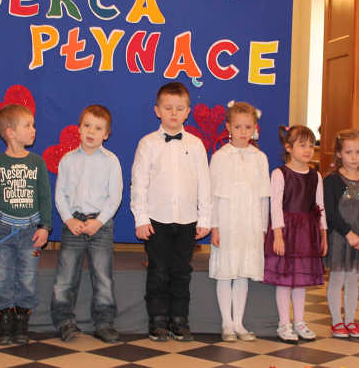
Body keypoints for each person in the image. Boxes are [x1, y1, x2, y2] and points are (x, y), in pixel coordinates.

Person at [130, 81, 211, 342]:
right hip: (156, 220)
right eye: (168, 108)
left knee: (181, 272)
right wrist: (141, 218)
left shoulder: (196, 145)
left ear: (188, 111)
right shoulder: (147, 144)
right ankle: (157, 319)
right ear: (157, 111)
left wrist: (205, 218)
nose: (174, 113)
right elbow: (139, 184)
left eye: (179, 108)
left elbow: (204, 183)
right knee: (158, 271)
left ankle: (179, 319)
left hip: (188, 220)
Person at [0, 104, 52, 346]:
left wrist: (45, 227)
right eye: (28, 126)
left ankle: (22, 318)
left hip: (30, 231)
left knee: (27, 277)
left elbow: (45, 197)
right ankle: (4, 317)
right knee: (1, 276)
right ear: (10, 132)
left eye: (33, 125)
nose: (33, 130)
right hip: (2, 230)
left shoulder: (37, 162)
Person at [51, 105, 123, 344]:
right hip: (73, 223)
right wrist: (68, 219)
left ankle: (104, 323)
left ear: (106, 134)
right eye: (87, 126)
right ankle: (64, 321)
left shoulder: (111, 161)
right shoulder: (68, 160)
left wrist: (99, 221)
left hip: (100, 225)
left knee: (102, 276)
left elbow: (115, 197)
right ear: (79, 129)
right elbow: (60, 194)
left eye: (98, 128)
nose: (91, 132)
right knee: (66, 276)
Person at [208, 101, 270, 342]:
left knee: (243, 272)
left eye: (248, 127)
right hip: (226, 222)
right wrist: (214, 226)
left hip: (250, 223)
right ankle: (226, 323)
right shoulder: (220, 157)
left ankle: (239, 322)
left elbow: (264, 196)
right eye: (238, 127)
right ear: (228, 127)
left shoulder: (260, 158)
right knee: (226, 272)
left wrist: (262, 228)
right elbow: (212, 195)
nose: (243, 132)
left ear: (255, 128)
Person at [264, 124, 327, 342]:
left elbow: (320, 206)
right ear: (289, 147)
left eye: (311, 145)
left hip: (306, 234)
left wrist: (323, 234)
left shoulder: (316, 176)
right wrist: (278, 235)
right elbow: (275, 206)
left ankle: (300, 321)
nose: (308, 150)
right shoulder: (280, 174)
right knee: (284, 280)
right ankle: (284, 323)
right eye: (302, 145)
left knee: (301, 280)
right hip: (286, 231)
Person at [323, 129, 359, 339]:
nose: (354, 157)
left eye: (358, 152)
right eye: (348, 152)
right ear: (339, 154)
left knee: (353, 279)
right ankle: (337, 321)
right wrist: (349, 234)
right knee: (337, 278)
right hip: (340, 238)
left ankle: (351, 320)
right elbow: (331, 212)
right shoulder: (332, 180)